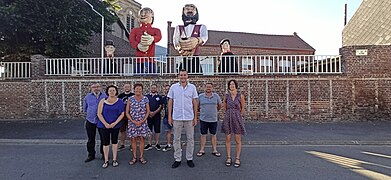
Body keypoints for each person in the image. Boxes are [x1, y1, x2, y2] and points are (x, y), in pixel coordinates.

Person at [168, 69, 198, 168]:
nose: (183, 77)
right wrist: (169, 116)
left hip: (189, 117)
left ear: (187, 76)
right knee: (176, 139)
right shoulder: (174, 87)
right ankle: (177, 158)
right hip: (177, 117)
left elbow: (194, 102)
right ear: (178, 76)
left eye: (184, 75)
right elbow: (170, 102)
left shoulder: (192, 87)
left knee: (190, 139)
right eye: (181, 75)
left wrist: (195, 117)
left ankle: (189, 158)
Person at [173, 4, 208, 74]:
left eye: (192, 8)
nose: (189, 10)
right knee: (181, 74)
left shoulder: (201, 27)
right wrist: (181, 48)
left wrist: (197, 40)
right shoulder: (178, 28)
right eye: (187, 8)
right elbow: (175, 41)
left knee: (197, 75)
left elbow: (205, 37)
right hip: (184, 57)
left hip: (195, 57)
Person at [97, 85, 125, 168]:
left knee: (114, 142)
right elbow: (99, 113)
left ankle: (114, 159)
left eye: (113, 90)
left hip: (115, 126)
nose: (112, 92)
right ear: (107, 92)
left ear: (116, 91)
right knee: (105, 143)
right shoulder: (102, 101)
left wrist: (115, 123)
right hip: (103, 125)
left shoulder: (119, 101)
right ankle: (106, 160)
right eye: (110, 90)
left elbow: (122, 114)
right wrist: (105, 123)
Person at [129, 7, 162, 74]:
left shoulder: (156, 30)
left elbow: (159, 37)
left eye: (146, 12)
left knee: (152, 76)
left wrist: (152, 38)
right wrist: (138, 46)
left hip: (150, 59)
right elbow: (131, 40)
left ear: (152, 16)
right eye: (142, 13)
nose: (143, 14)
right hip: (139, 60)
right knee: (138, 76)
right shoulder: (135, 30)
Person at [221, 79, 246, 168]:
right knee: (228, 139)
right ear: (229, 86)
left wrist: (238, 115)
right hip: (228, 118)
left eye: (233, 84)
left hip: (237, 118)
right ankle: (228, 157)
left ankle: (237, 158)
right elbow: (225, 106)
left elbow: (242, 108)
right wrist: (229, 113)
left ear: (236, 85)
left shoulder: (240, 96)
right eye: (230, 84)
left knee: (237, 140)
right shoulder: (226, 96)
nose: (231, 86)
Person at [126, 83, 151, 165]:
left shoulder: (145, 99)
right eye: (137, 89)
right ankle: (134, 157)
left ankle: (141, 156)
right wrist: (133, 121)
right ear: (134, 89)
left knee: (142, 139)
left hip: (142, 123)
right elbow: (127, 112)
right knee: (133, 140)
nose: (138, 90)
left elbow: (148, 111)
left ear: (142, 90)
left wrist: (142, 121)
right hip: (132, 123)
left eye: (140, 89)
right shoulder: (130, 99)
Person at [196, 83, 222, 158]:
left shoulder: (216, 96)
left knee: (213, 134)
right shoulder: (200, 96)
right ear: (205, 88)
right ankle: (202, 150)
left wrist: (214, 111)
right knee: (203, 135)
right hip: (203, 119)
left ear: (212, 88)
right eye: (207, 87)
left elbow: (220, 105)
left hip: (213, 119)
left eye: (210, 87)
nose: (208, 88)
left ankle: (214, 150)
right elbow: (197, 106)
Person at [83, 83, 107, 163]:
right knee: (91, 139)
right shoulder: (87, 97)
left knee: (103, 138)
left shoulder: (105, 96)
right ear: (91, 88)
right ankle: (91, 155)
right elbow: (85, 108)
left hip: (102, 120)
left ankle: (104, 154)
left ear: (100, 87)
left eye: (98, 87)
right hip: (90, 120)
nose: (96, 88)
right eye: (94, 87)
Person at [145, 84, 163, 151]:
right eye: (152, 88)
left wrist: (154, 112)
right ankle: (149, 144)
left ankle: (157, 143)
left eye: (154, 88)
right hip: (148, 116)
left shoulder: (159, 97)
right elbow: (145, 105)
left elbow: (160, 106)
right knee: (149, 130)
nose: (153, 89)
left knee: (157, 130)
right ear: (150, 88)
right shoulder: (147, 97)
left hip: (157, 116)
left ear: (156, 89)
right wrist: (149, 112)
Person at [117, 84, 135, 151]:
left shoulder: (133, 95)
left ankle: (131, 144)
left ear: (130, 88)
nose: (127, 88)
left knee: (131, 131)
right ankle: (122, 144)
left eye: (128, 87)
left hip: (131, 116)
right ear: (123, 88)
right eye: (125, 87)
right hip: (122, 116)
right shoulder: (120, 96)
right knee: (122, 131)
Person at [162, 85, 173, 152]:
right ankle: (168, 144)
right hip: (166, 116)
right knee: (168, 131)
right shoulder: (164, 98)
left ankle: (177, 146)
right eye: (166, 89)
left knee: (177, 132)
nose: (167, 90)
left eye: (169, 89)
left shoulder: (175, 98)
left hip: (175, 117)